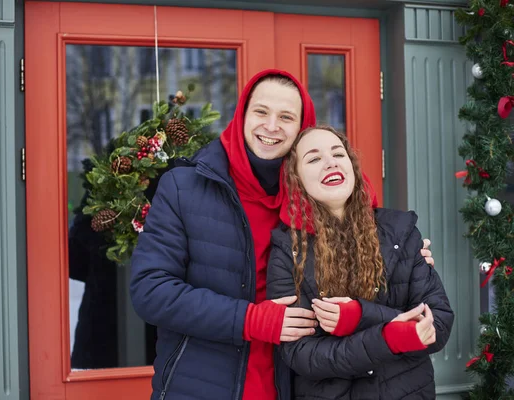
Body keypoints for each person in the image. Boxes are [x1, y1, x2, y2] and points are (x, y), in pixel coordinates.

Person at [130, 70, 435, 400]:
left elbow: (369, 246)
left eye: (286, 117)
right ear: (242, 114)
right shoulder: (184, 187)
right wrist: (251, 319)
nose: (271, 126)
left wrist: (404, 254)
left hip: (292, 384)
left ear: (302, 128)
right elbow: (151, 290)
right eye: (261, 112)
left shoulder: (314, 195)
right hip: (201, 384)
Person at [267, 126, 454, 400]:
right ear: (296, 179)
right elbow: (300, 354)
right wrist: (390, 337)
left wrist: (359, 316)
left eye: (338, 154)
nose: (331, 162)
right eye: (314, 158)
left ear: (351, 165)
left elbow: (437, 325)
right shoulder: (288, 250)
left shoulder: (400, 232)